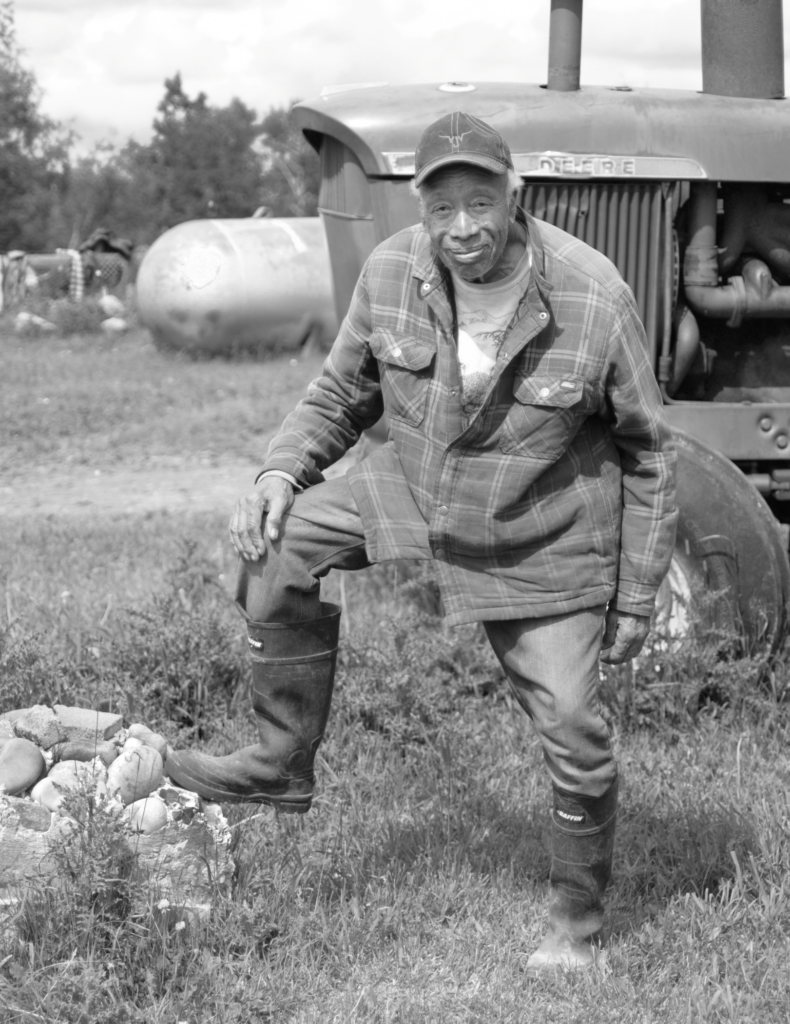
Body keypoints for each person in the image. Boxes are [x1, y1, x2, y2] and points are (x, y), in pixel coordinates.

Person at [167, 112, 677, 976]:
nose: (464, 229)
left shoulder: (594, 294)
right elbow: (339, 395)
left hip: (539, 526)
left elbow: (651, 451)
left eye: (482, 203)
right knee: (277, 543)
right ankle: (278, 760)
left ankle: (578, 925)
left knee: (574, 726)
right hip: (414, 483)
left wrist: (636, 594)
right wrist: (278, 473)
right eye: (445, 210)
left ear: (517, 197)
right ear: (421, 207)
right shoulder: (393, 268)